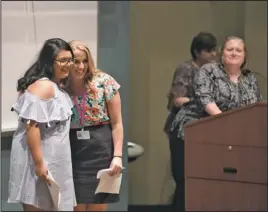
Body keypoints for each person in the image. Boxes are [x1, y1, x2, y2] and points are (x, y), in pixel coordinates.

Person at [170, 36, 263, 211]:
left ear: (245, 56)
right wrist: (227, 124)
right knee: (190, 186)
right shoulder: (209, 71)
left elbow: (255, 109)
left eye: (238, 50)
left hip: (232, 139)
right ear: (222, 53)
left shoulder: (250, 79)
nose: (234, 53)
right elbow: (206, 101)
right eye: (230, 49)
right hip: (193, 134)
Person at [8, 38, 77, 211]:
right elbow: (32, 126)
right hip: (44, 162)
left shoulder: (55, 86)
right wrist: (39, 163)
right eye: (62, 60)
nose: (68, 64)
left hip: (55, 160)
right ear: (49, 61)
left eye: (70, 60)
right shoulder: (43, 87)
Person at [66, 40, 123, 212]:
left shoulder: (105, 82)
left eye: (84, 61)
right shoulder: (61, 86)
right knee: (75, 206)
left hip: (100, 150)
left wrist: (118, 156)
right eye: (76, 61)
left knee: (97, 205)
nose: (81, 66)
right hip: (72, 151)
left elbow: (117, 122)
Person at [163, 32, 217, 211]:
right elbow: (177, 99)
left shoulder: (215, 71)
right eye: (209, 51)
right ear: (197, 51)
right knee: (184, 178)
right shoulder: (186, 69)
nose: (213, 55)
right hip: (183, 130)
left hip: (207, 131)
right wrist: (202, 101)